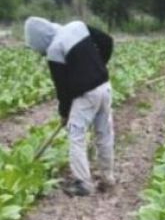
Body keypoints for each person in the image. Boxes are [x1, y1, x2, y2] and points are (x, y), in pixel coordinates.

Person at [24, 17, 115, 197]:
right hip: (104, 86)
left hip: (86, 96)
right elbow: (107, 41)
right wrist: (98, 66)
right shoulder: (77, 26)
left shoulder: (54, 50)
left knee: (76, 137)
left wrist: (64, 113)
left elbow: (62, 89)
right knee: (104, 133)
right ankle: (108, 177)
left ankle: (84, 184)